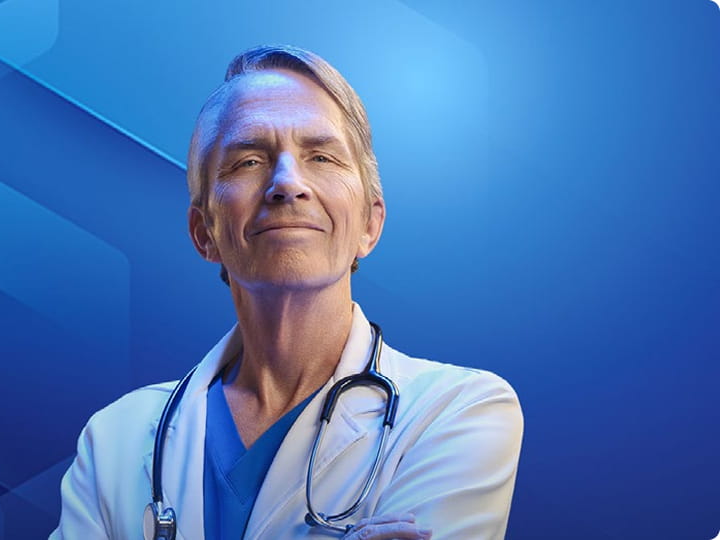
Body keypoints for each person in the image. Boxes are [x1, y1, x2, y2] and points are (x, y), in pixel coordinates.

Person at [51, 45, 523, 540]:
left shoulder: (459, 414)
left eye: (321, 156)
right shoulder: (115, 441)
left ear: (370, 222)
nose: (287, 184)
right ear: (203, 232)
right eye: (248, 161)